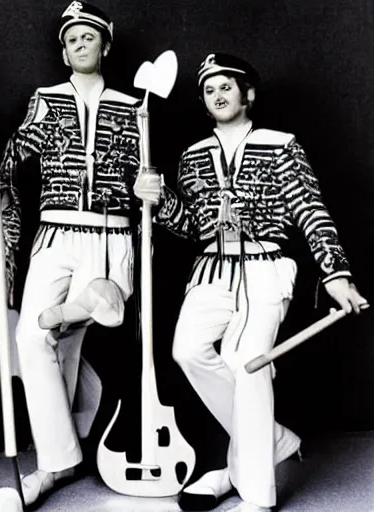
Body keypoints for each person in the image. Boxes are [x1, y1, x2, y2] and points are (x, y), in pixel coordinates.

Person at [133, 52, 368, 512]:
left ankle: (255, 493)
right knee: (187, 350)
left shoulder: (281, 144)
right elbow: (192, 225)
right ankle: (271, 441)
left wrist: (335, 273)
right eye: (209, 89)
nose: (218, 95)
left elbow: (310, 209)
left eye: (226, 86)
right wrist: (157, 200)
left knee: (246, 363)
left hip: (266, 266)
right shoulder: (193, 155)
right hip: (212, 268)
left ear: (248, 94)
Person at [0, 2, 141, 509]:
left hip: (109, 231)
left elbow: (144, 171)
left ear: (105, 45)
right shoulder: (45, 98)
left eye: (88, 37)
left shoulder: (132, 103)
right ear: (63, 49)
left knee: (69, 336)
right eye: (71, 38)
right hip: (55, 231)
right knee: (35, 334)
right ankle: (61, 459)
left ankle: (56, 461)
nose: (79, 44)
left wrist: (147, 185)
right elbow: (15, 152)